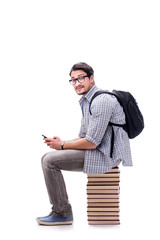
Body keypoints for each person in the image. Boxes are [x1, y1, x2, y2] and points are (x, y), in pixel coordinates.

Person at [36, 62, 132, 226]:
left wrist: (63, 146)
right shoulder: (87, 101)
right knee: (47, 157)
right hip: (100, 150)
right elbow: (83, 136)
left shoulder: (101, 101)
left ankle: (62, 213)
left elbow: (92, 142)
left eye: (80, 78)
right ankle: (61, 212)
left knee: (49, 161)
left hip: (107, 155)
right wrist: (60, 143)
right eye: (73, 80)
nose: (76, 84)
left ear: (91, 78)